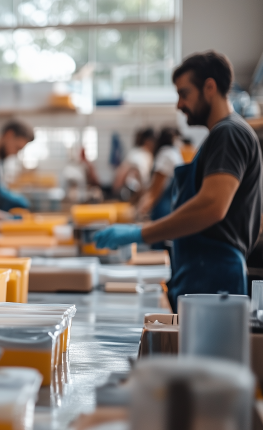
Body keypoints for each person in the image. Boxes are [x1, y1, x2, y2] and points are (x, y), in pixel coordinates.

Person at [95, 51, 263, 309]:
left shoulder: (229, 133)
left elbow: (211, 206)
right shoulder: (218, 136)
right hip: (200, 272)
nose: (179, 104)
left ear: (209, 87)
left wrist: (140, 233)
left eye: (184, 94)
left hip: (214, 276)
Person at [137, 127, 184, 221]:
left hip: (164, 211)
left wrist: (139, 211)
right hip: (173, 207)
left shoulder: (165, 154)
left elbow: (155, 192)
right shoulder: (174, 153)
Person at [111, 128, 156, 199]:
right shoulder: (145, 156)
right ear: (149, 141)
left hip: (122, 191)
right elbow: (144, 180)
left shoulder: (134, 152)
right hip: (130, 193)